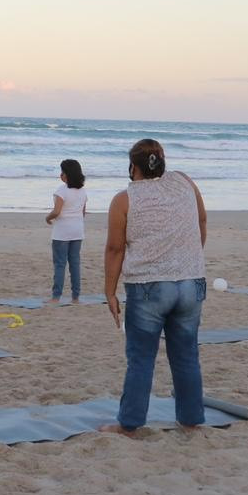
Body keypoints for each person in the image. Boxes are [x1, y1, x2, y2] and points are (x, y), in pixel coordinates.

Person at [101, 139, 207, 436]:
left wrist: (109, 292)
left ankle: (130, 424)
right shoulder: (184, 182)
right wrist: (189, 260)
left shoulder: (124, 199)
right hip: (191, 282)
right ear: (162, 161)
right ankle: (190, 420)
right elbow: (201, 221)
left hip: (148, 286)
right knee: (186, 355)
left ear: (132, 166)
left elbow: (114, 248)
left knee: (141, 358)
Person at [45, 159, 88, 303]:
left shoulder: (61, 191)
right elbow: (82, 212)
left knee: (60, 264)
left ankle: (56, 297)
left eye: (62, 172)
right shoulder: (82, 191)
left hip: (62, 232)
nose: (60, 174)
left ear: (68, 174)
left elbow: (57, 211)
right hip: (77, 231)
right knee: (75, 264)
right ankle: (76, 297)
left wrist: (48, 218)